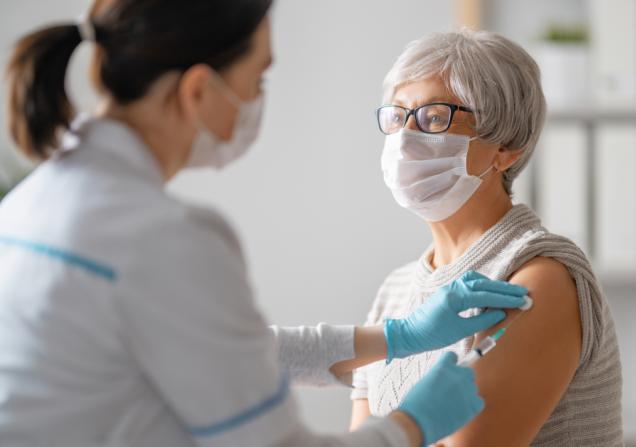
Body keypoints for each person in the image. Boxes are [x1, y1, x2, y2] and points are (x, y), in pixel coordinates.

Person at [0, 2, 530, 447]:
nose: (257, 101)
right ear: (199, 91)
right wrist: (411, 425)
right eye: (256, 79)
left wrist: (400, 336)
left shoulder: (31, 203)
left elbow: (235, 350)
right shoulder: (165, 238)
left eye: (434, 117)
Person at [349, 29, 624, 446]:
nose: (405, 137)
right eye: (396, 115)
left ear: (506, 147)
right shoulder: (395, 292)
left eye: (434, 117)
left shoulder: (537, 277)